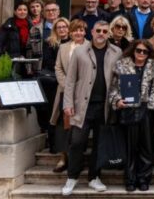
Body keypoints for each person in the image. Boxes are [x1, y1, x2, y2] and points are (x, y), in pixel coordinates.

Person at [61, 21, 122, 195]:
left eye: (105, 31)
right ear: (92, 32)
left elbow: (119, 79)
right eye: (98, 30)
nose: (101, 33)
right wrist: (68, 104)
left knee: (99, 144)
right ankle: (72, 177)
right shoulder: (80, 51)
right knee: (77, 142)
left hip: (104, 107)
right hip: (82, 105)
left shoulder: (116, 52)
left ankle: (94, 177)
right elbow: (70, 80)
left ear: (109, 33)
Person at [109, 40, 154, 192]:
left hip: (147, 110)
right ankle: (130, 179)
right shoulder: (122, 66)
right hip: (128, 109)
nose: (141, 54)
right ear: (133, 50)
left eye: (145, 51)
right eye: (139, 50)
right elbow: (113, 88)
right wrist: (117, 101)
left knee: (146, 147)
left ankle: (143, 178)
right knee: (130, 147)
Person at [49, 19, 87, 173]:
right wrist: (67, 85)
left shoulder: (90, 47)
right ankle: (63, 157)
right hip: (64, 91)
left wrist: (79, 87)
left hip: (83, 92)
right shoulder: (63, 47)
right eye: (75, 30)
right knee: (62, 125)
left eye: (81, 30)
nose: (78, 33)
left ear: (85, 32)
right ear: (70, 32)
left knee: (79, 127)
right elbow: (58, 67)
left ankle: (78, 158)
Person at [40, 17, 70, 154]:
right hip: (55, 83)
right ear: (55, 30)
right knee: (54, 113)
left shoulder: (74, 43)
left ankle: (66, 146)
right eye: (59, 27)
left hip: (70, 81)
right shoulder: (49, 43)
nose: (62, 29)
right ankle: (53, 145)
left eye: (64, 27)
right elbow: (49, 62)